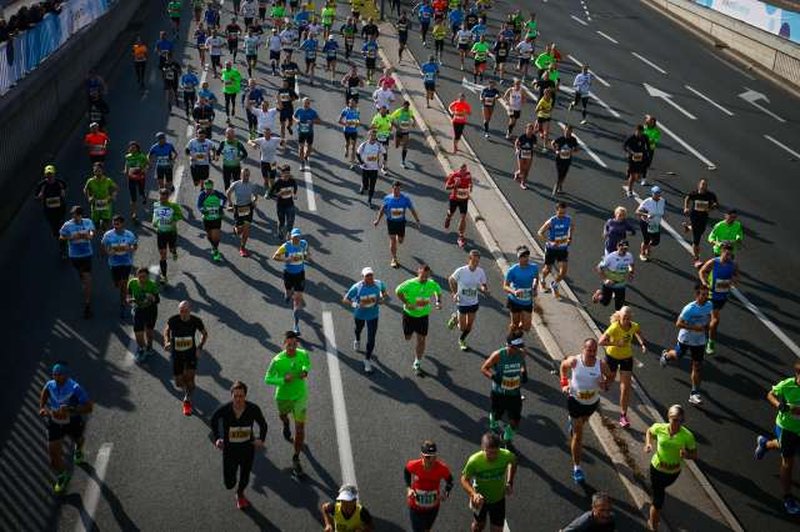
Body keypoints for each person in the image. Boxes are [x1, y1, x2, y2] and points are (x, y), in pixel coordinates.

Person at [38, 363, 94, 495]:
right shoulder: (50, 384)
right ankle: (63, 475)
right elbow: (45, 391)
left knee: (78, 439)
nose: (56, 377)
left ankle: (78, 449)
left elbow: (89, 407)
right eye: (54, 374)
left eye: (59, 375)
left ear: (66, 375)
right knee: (53, 456)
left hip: (72, 422)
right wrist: (42, 407)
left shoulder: (75, 388)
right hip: (55, 422)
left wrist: (71, 409)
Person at [560, 339, 611, 483]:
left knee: (582, 423)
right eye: (589, 350)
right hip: (575, 402)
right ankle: (577, 468)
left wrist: (605, 384)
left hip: (591, 404)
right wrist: (564, 383)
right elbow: (563, 367)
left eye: (594, 351)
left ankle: (574, 423)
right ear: (583, 349)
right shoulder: (575, 361)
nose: (592, 353)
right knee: (578, 435)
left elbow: (611, 376)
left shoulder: (600, 365)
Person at [211, 381, 267, 510]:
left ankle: (240, 494)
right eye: (235, 396)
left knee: (245, 476)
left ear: (245, 396)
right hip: (230, 450)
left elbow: (263, 424)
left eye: (241, 396)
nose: (238, 399)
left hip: (247, 449)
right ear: (231, 396)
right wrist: (217, 438)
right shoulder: (225, 409)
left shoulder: (253, 409)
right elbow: (214, 420)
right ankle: (234, 487)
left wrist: (261, 439)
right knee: (229, 483)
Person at [755, 361, 800, 515]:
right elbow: (770, 394)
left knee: (783, 448)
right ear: (797, 374)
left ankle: (765, 444)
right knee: (788, 462)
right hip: (787, 429)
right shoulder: (787, 385)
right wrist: (778, 405)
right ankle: (788, 497)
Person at [265, 330, 311, 478]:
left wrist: (305, 370)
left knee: (299, 429)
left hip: (300, 397)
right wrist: (283, 380)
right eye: (288, 345)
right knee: (284, 416)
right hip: (283, 397)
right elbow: (268, 378)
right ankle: (285, 424)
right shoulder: (277, 360)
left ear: (297, 344)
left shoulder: (303, 354)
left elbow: (307, 364)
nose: (291, 347)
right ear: (284, 344)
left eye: (294, 344)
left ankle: (296, 458)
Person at [645, 405, 697, 531]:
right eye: (674, 419)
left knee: (661, 489)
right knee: (658, 501)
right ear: (668, 418)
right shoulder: (659, 427)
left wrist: (686, 455)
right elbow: (649, 432)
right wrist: (648, 444)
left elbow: (694, 455)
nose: (677, 423)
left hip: (673, 473)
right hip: (656, 468)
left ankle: (656, 498)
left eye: (680, 420)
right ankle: (653, 525)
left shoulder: (687, 436)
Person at [660, 284, 713, 405]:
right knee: (677, 356)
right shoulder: (689, 309)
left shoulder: (709, 305)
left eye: (707, 294)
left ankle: (694, 393)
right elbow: (678, 323)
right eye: (703, 294)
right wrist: (694, 328)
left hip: (699, 341)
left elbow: (710, 317)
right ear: (697, 295)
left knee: (697, 366)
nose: (706, 297)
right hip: (686, 338)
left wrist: (708, 325)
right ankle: (666, 355)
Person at [598, 307, 646, 427]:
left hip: (626, 358)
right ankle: (598, 384)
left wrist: (642, 343)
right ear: (620, 317)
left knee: (625, 387)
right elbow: (600, 341)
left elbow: (638, 332)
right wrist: (615, 343)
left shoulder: (634, 325)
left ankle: (623, 416)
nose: (626, 320)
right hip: (612, 356)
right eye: (624, 318)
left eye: (628, 318)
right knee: (610, 379)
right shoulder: (614, 327)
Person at [460, 432, 517, 532]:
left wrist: (510, 482)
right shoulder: (474, 461)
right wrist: (474, 494)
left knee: (497, 530)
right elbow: (464, 479)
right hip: (480, 500)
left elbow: (513, 462)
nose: (493, 456)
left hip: (498, 499)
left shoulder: (506, 455)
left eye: (496, 452)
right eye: (489, 452)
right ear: (482, 448)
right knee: (479, 526)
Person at [481, 331, 528, 446]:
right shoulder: (498, 355)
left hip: (514, 392)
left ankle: (506, 438)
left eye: (520, 347)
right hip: (499, 392)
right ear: (508, 345)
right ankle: (493, 422)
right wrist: (494, 377)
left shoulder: (521, 353)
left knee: (515, 420)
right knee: (497, 414)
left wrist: (524, 373)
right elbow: (484, 368)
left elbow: (522, 364)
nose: (518, 350)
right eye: (515, 348)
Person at [396, 264, 442, 375]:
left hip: (423, 316)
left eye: (427, 276)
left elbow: (438, 291)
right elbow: (398, 291)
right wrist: (406, 303)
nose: (425, 279)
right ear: (418, 273)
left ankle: (417, 361)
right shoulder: (410, 284)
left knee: (421, 339)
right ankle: (410, 334)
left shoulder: (431, 284)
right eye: (423, 276)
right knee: (408, 337)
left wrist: (438, 301)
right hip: (409, 315)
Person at [164, 300, 208, 416]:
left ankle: (187, 399)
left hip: (190, 354)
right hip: (177, 355)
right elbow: (167, 330)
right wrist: (167, 341)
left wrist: (199, 347)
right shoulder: (173, 320)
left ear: (190, 310)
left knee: (190, 379)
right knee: (178, 383)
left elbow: (204, 334)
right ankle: (188, 390)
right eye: (181, 311)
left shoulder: (196, 321)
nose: (183, 313)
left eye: (185, 311)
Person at [343, 267, 388, 373]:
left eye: (371, 275)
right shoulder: (357, 287)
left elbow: (385, 292)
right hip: (360, 315)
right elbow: (345, 299)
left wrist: (383, 299)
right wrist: (357, 304)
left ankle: (367, 360)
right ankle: (357, 339)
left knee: (371, 338)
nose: (370, 277)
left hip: (373, 315)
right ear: (362, 277)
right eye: (367, 276)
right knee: (358, 329)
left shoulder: (378, 283)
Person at [698, 242, 738, 355]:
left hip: (723, 295)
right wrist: (704, 282)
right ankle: (710, 342)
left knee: (709, 316)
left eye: (729, 254)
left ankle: (705, 324)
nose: (727, 257)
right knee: (716, 320)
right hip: (711, 295)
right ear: (722, 251)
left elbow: (736, 275)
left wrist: (732, 282)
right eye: (726, 254)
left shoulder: (733, 264)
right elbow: (701, 271)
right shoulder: (713, 262)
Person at [405, 441, 454, 532]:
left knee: (427, 529)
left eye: (434, 456)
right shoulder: (414, 465)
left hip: (433, 507)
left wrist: (445, 493)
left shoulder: (442, 468)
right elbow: (407, 471)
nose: (431, 460)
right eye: (428, 457)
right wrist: (409, 488)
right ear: (421, 455)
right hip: (416, 507)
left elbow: (450, 481)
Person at [373, 181, 421, 268]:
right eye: (395, 189)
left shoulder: (405, 199)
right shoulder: (387, 198)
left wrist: (417, 220)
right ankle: (394, 258)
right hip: (391, 222)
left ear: (401, 189)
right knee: (393, 240)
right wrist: (377, 220)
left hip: (401, 222)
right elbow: (382, 210)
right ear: (392, 189)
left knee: (400, 241)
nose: (396, 191)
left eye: (398, 189)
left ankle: (398, 238)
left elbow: (412, 209)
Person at [273, 228, 311, 334]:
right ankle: (288, 293)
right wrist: (286, 260)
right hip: (288, 274)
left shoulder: (304, 243)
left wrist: (307, 256)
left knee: (297, 300)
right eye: (294, 237)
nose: (296, 239)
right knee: (289, 293)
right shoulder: (286, 246)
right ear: (291, 237)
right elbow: (274, 256)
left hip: (300, 275)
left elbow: (308, 254)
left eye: (298, 237)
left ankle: (296, 325)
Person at [447, 250, 488, 351]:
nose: (475, 263)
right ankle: (455, 317)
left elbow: (483, 284)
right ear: (469, 259)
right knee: (462, 327)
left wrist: (484, 289)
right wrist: (454, 293)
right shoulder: (461, 271)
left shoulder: (480, 271)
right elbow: (451, 280)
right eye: (473, 261)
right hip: (462, 302)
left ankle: (462, 340)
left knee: (469, 325)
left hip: (473, 302)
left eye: (477, 261)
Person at [100, 215, 138, 318]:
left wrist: (130, 248)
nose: (115, 225)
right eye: (114, 223)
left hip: (126, 263)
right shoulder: (108, 235)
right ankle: (123, 293)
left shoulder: (129, 235)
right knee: (117, 284)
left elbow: (135, 246)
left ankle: (123, 303)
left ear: (122, 224)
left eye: (117, 223)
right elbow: (102, 248)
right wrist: (108, 252)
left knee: (124, 283)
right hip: (114, 264)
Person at [537, 202, 573, 298]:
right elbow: (540, 232)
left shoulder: (568, 219)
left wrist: (570, 237)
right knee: (548, 269)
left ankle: (554, 284)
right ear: (556, 211)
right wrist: (550, 242)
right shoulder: (551, 221)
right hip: (551, 249)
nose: (562, 215)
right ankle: (542, 280)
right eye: (560, 213)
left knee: (563, 271)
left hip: (563, 248)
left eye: (564, 213)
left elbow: (571, 227)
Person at [127, 267, 160, 362]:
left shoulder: (152, 285)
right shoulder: (132, 283)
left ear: (148, 277)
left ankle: (149, 347)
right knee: (138, 332)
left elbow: (157, 300)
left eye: (144, 277)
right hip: (138, 310)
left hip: (151, 311)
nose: (142, 279)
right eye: (139, 277)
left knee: (149, 332)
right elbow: (128, 294)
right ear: (136, 276)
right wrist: (129, 300)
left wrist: (152, 297)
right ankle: (142, 349)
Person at [504, 246, 539, 333]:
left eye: (527, 256)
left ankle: (516, 337)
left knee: (526, 327)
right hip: (514, 301)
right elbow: (505, 286)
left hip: (527, 301)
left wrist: (535, 288)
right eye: (523, 256)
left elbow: (536, 278)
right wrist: (514, 291)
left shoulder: (534, 267)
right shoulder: (512, 270)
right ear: (519, 258)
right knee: (514, 324)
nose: (526, 258)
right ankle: (511, 341)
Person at [682, 179, 718, 264]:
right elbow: (687, 198)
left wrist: (711, 208)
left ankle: (688, 227)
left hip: (704, 217)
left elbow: (716, 203)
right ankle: (696, 257)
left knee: (701, 231)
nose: (703, 186)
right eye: (702, 184)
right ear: (699, 185)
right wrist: (686, 207)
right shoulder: (694, 193)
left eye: (705, 185)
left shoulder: (710, 195)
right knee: (696, 239)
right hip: (694, 216)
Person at [35, 165, 68, 257]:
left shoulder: (60, 183)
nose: (49, 176)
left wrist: (63, 193)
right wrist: (39, 196)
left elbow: (64, 191)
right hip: (49, 211)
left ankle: (63, 248)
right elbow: (36, 197)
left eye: (51, 174)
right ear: (45, 175)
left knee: (61, 228)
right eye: (47, 174)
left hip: (60, 209)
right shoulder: (41, 185)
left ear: (54, 174)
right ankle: (62, 241)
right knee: (55, 231)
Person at [152, 188, 183, 283]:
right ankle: (164, 276)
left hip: (171, 232)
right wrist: (154, 222)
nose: (162, 200)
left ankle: (174, 252)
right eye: (161, 197)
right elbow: (155, 215)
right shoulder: (156, 205)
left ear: (168, 197)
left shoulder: (173, 206)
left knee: (172, 248)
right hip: (161, 233)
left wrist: (174, 220)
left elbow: (180, 215)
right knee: (162, 255)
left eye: (164, 198)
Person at [592, 240, 635, 311]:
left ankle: (618, 320)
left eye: (625, 248)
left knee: (619, 307)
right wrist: (605, 279)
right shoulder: (611, 257)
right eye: (621, 248)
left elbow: (631, 264)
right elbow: (599, 267)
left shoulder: (629, 256)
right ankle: (598, 294)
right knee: (605, 303)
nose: (623, 250)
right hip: (609, 284)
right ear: (617, 247)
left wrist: (631, 273)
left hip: (621, 284)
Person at [227, 169, 258, 257]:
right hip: (238, 208)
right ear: (241, 175)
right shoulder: (236, 184)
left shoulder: (251, 185)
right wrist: (230, 203)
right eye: (244, 175)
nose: (246, 177)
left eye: (247, 175)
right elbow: (228, 192)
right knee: (239, 231)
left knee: (246, 230)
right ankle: (236, 229)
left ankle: (242, 248)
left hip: (248, 208)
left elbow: (255, 196)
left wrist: (254, 201)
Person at [443, 164, 473, 247]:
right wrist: (455, 185)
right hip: (454, 199)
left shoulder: (468, 175)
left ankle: (460, 236)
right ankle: (448, 218)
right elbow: (446, 187)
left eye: (465, 170)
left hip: (464, 199)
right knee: (450, 213)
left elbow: (470, 182)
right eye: (461, 170)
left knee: (463, 217)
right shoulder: (454, 176)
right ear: (459, 169)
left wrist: (470, 187)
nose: (463, 172)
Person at [83, 162, 117, 233]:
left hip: (106, 205)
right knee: (96, 226)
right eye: (95, 171)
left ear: (102, 171)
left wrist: (113, 196)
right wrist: (89, 198)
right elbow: (85, 190)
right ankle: (100, 231)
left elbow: (115, 188)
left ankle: (105, 235)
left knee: (105, 224)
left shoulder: (108, 180)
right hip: (95, 206)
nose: (97, 173)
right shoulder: (90, 181)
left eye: (99, 171)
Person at [268, 165, 299, 241]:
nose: (286, 175)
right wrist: (277, 195)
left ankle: (289, 234)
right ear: (281, 173)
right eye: (285, 173)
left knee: (290, 221)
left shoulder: (292, 181)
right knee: (282, 222)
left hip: (290, 205)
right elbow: (270, 194)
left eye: (288, 173)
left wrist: (294, 194)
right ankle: (280, 232)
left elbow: (295, 187)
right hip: (281, 206)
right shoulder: (278, 182)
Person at [357, 129, 387, 206]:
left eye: (374, 136)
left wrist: (383, 163)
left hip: (374, 169)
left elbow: (384, 153)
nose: (373, 137)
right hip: (365, 168)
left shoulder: (378, 145)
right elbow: (357, 153)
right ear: (369, 136)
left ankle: (369, 200)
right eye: (371, 135)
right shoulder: (364, 145)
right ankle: (363, 185)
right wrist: (361, 162)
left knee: (372, 186)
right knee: (366, 185)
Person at [635, 186, 665, 262]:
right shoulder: (647, 201)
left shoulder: (662, 201)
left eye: (659, 193)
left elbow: (661, 211)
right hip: (646, 223)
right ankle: (642, 254)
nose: (658, 195)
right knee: (647, 240)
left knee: (656, 241)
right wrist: (646, 215)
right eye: (656, 193)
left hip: (655, 224)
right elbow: (637, 212)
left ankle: (648, 247)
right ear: (652, 194)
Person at [123, 141, 149, 224]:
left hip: (140, 177)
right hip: (131, 178)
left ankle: (143, 196)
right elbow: (127, 164)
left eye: (133, 147)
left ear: (137, 149)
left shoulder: (142, 156)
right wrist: (126, 171)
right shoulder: (128, 156)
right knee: (133, 197)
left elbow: (148, 164)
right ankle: (134, 214)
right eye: (131, 147)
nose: (132, 149)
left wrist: (145, 170)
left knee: (141, 192)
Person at [551, 125, 580, 195]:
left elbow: (577, 148)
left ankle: (560, 186)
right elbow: (552, 143)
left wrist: (572, 151)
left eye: (569, 131)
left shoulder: (573, 139)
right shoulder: (561, 139)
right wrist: (556, 150)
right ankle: (556, 188)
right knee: (560, 174)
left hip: (567, 159)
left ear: (571, 132)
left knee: (564, 175)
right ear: (564, 130)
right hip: (559, 159)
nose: (567, 132)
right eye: (566, 131)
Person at [622, 125, 650, 198]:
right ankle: (629, 191)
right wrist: (631, 152)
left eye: (641, 133)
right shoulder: (631, 137)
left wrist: (647, 153)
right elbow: (624, 146)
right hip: (632, 157)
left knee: (638, 177)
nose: (640, 134)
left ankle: (630, 171)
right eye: (638, 132)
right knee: (633, 176)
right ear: (636, 131)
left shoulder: (645, 137)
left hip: (641, 157)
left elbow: (648, 146)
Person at [294, 97, 322, 164]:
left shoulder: (313, 112)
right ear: (303, 103)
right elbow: (294, 116)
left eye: (308, 103)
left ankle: (306, 156)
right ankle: (301, 161)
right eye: (305, 103)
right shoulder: (299, 110)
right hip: (301, 132)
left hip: (309, 132)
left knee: (309, 148)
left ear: (309, 104)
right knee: (301, 147)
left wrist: (312, 121)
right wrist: (296, 120)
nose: (306, 104)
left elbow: (319, 121)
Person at [390, 100, 415, 169]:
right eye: (405, 107)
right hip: (398, 131)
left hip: (406, 131)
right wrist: (396, 127)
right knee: (396, 146)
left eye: (407, 107)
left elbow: (412, 116)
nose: (406, 108)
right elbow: (390, 119)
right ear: (403, 106)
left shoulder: (409, 111)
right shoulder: (398, 111)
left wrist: (414, 123)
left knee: (405, 147)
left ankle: (403, 161)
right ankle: (399, 141)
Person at [339, 98, 362, 168]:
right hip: (346, 131)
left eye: (353, 103)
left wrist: (357, 123)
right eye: (351, 103)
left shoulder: (357, 111)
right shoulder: (345, 111)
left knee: (353, 147)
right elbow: (339, 120)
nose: (352, 104)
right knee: (347, 143)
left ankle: (352, 163)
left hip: (354, 131)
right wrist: (345, 124)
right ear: (349, 103)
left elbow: (358, 120)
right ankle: (346, 149)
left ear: (355, 104)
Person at [514, 123, 536, 190]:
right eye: (528, 129)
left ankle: (523, 183)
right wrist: (517, 149)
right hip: (521, 154)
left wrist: (533, 147)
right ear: (526, 129)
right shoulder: (522, 136)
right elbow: (516, 143)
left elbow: (534, 145)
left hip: (529, 155)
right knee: (521, 170)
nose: (529, 131)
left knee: (526, 171)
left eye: (531, 129)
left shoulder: (533, 137)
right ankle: (517, 173)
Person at [641, 115, 661, 186]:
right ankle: (643, 179)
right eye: (649, 122)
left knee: (648, 164)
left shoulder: (656, 131)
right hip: (642, 148)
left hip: (650, 149)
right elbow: (640, 135)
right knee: (644, 164)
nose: (650, 123)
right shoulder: (644, 128)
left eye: (652, 122)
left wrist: (652, 140)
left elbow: (657, 139)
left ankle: (641, 171)